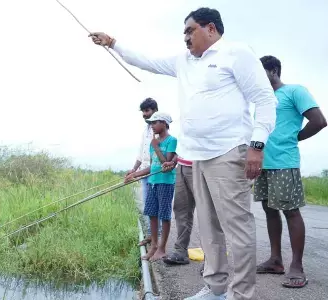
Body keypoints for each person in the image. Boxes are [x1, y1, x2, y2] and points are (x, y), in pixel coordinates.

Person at [89, 7, 277, 300]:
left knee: (237, 227)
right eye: (184, 33)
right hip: (197, 158)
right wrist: (114, 43)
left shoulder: (237, 54)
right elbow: (146, 61)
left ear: (211, 29)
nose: (186, 38)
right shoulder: (184, 61)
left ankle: (240, 294)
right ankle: (215, 289)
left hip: (230, 152)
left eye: (190, 31)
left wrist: (257, 146)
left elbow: (264, 99)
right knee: (208, 227)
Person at [254, 55, 327, 288]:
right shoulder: (262, 99)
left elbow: (319, 121)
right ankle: (276, 260)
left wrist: (294, 138)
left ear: (273, 71)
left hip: (284, 162)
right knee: (269, 210)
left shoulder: (294, 91)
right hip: (264, 163)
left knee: (291, 212)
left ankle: (297, 266)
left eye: (261, 72)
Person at [125, 111, 177, 262]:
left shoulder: (171, 140)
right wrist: (134, 175)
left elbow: (165, 163)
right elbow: (152, 167)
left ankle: (161, 248)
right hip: (152, 181)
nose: (152, 126)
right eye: (151, 123)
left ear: (164, 123)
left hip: (165, 183)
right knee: (152, 214)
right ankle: (153, 245)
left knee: (164, 216)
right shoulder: (153, 143)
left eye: (155, 123)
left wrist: (156, 146)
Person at [126, 98, 161, 246]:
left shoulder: (159, 132)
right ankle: (150, 235)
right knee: (147, 205)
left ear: (155, 111)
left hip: (155, 175)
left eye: (146, 111)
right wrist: (133, 170)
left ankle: (156, 237)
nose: (144, 114)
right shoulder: (145, 130)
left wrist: (136, 175)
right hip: (144, 173)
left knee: (154, 206)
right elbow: (141, 155)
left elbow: (155, 164)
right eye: (143, 112)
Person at [162, 155, 196, 266]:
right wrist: (174, 161)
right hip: (182, 165)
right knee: (181, 209)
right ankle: (180, 250)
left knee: (207, 211)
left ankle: (213, 259)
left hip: (201, 162)